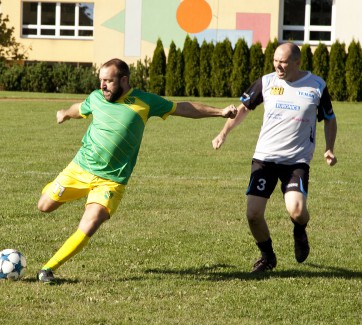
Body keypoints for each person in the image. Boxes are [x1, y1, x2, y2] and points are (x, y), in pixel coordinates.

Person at [36, 58, 237, 283]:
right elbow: (80, 108)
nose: (102, 86)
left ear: (124, 80)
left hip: (111, 181)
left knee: (92, 222)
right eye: (101, 80)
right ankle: (57, 193)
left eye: (108, 81)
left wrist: (220, 112)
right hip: (79, 169)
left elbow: (183, 107)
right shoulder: (96, 97)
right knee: (44, 206)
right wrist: (64, 112)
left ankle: (48, 269)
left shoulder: (144, 101)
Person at [212, 42, 337, 273]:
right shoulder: (267, 82)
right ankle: (267, 257)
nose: (278, 66)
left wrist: (329, 148)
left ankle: (300, 231)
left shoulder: (316, 85)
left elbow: (329, 118)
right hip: (265, 158)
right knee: (253, 214)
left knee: (297, 211)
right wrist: (223, 133)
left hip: (296, 161)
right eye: (275, 60)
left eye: (284, 62)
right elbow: (243, 108)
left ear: (297, 63)